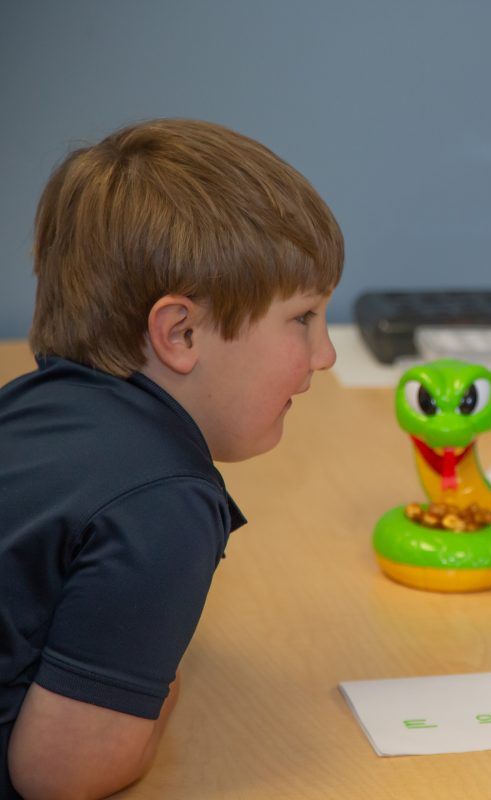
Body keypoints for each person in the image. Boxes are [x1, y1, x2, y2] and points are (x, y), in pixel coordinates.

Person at [0, 119, 342, 798]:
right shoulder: (164, 501)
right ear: (180, 334)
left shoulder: (27, 404)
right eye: (302, 319)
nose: (325, 355)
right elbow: (61, 776)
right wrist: (161, 693)